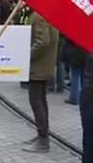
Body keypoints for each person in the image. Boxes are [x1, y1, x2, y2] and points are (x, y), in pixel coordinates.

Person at [22, 12, 59, 153]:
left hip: (38, 66)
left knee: (36, 101)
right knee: (41, 100)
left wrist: (25, 57)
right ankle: (42, 135)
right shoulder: (47, 13)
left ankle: (43, 139)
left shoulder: (39, 15)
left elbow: (42, 42)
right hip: (45, 64)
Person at [61, 39, 87, 105]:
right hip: (86, 53)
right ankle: (84, 98)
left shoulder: (74, 30)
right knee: (84, 77)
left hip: (75, 54)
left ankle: (74, 98)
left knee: (75, 76)